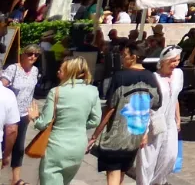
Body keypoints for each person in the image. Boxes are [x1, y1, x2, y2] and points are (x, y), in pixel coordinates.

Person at [91, 41, 161, 185]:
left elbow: (110, 107)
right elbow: (156, 103)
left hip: (117, 134)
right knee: (121, 172)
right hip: (136, 134)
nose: (122, 58)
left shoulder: (120, 76)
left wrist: (95, 134)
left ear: (133, 57)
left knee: (113, 173)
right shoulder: (151, 77)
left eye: (124, 55)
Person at [30, 56, 102, 185]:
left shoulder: (56, 91)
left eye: (61, 69)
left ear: (70, 71)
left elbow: (43, 123)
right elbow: (95, 120)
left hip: (56, 146)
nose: (58, 71)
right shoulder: (93, 91)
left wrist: (34, 117)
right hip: (78, 146)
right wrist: (78, 125)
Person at [133, 46, 182, 185]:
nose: (176, 64)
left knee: (170, 156)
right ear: (163, 61)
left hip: (170, 121)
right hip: (153, 120)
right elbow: (144, 103)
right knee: (148, 159)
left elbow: (176, 97)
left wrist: (178, 119)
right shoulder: (153, 78)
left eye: (178, 60)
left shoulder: (178, 75)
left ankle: (158, 182)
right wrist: (143, 131)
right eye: (172, 61)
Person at [2, 45, 40, 185]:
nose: (33, 57)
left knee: (19, 146)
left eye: (36, 55)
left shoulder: (35, 70)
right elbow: (2, 87)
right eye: (30, 54)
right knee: (4, 145)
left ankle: (15, 178)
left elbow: (30, 92)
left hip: (24, 113)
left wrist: (31, 110)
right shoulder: (13, 69)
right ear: (22, 54)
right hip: (9, 114)